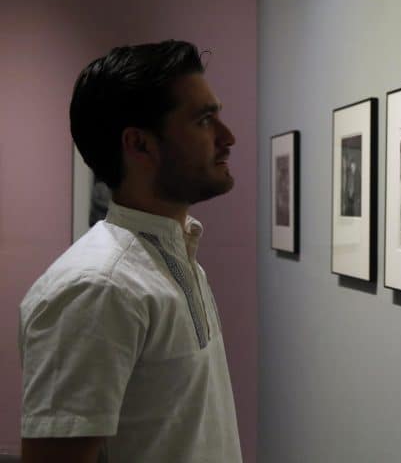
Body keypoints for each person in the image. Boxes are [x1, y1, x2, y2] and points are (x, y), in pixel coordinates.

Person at [18, 41, 242, 462]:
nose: (227, 137)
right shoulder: (96, 288)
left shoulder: (180, 259)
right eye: (205, 120)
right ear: (139, 145)